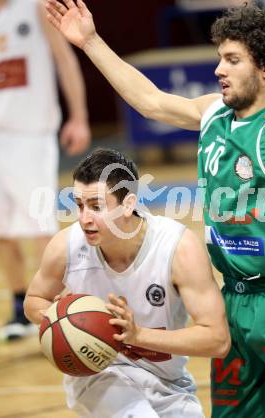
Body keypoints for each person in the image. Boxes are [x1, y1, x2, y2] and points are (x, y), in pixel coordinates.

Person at [46, 0, 265, 417]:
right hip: (232, 302)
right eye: (220, 58)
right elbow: (149, 100)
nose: (219, 69)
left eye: (233, 60)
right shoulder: (212, 114)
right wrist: (90, 42)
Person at [24, 148, 230, 418]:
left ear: (128, 204)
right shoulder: (66, 246)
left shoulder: (177, 248)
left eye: (97, 206)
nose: (85, 218)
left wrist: (137, 336)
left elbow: (217, 339)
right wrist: (56, 319)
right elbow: (33, 300)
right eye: (79, 205)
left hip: (167, 384)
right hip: (99, 376)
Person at [0, 0, 91, 341]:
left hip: (31, 132)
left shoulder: (34, 4)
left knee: (40, 223)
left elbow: (65, 60)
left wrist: (79, 116)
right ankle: (17, 306)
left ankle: (52, 302)